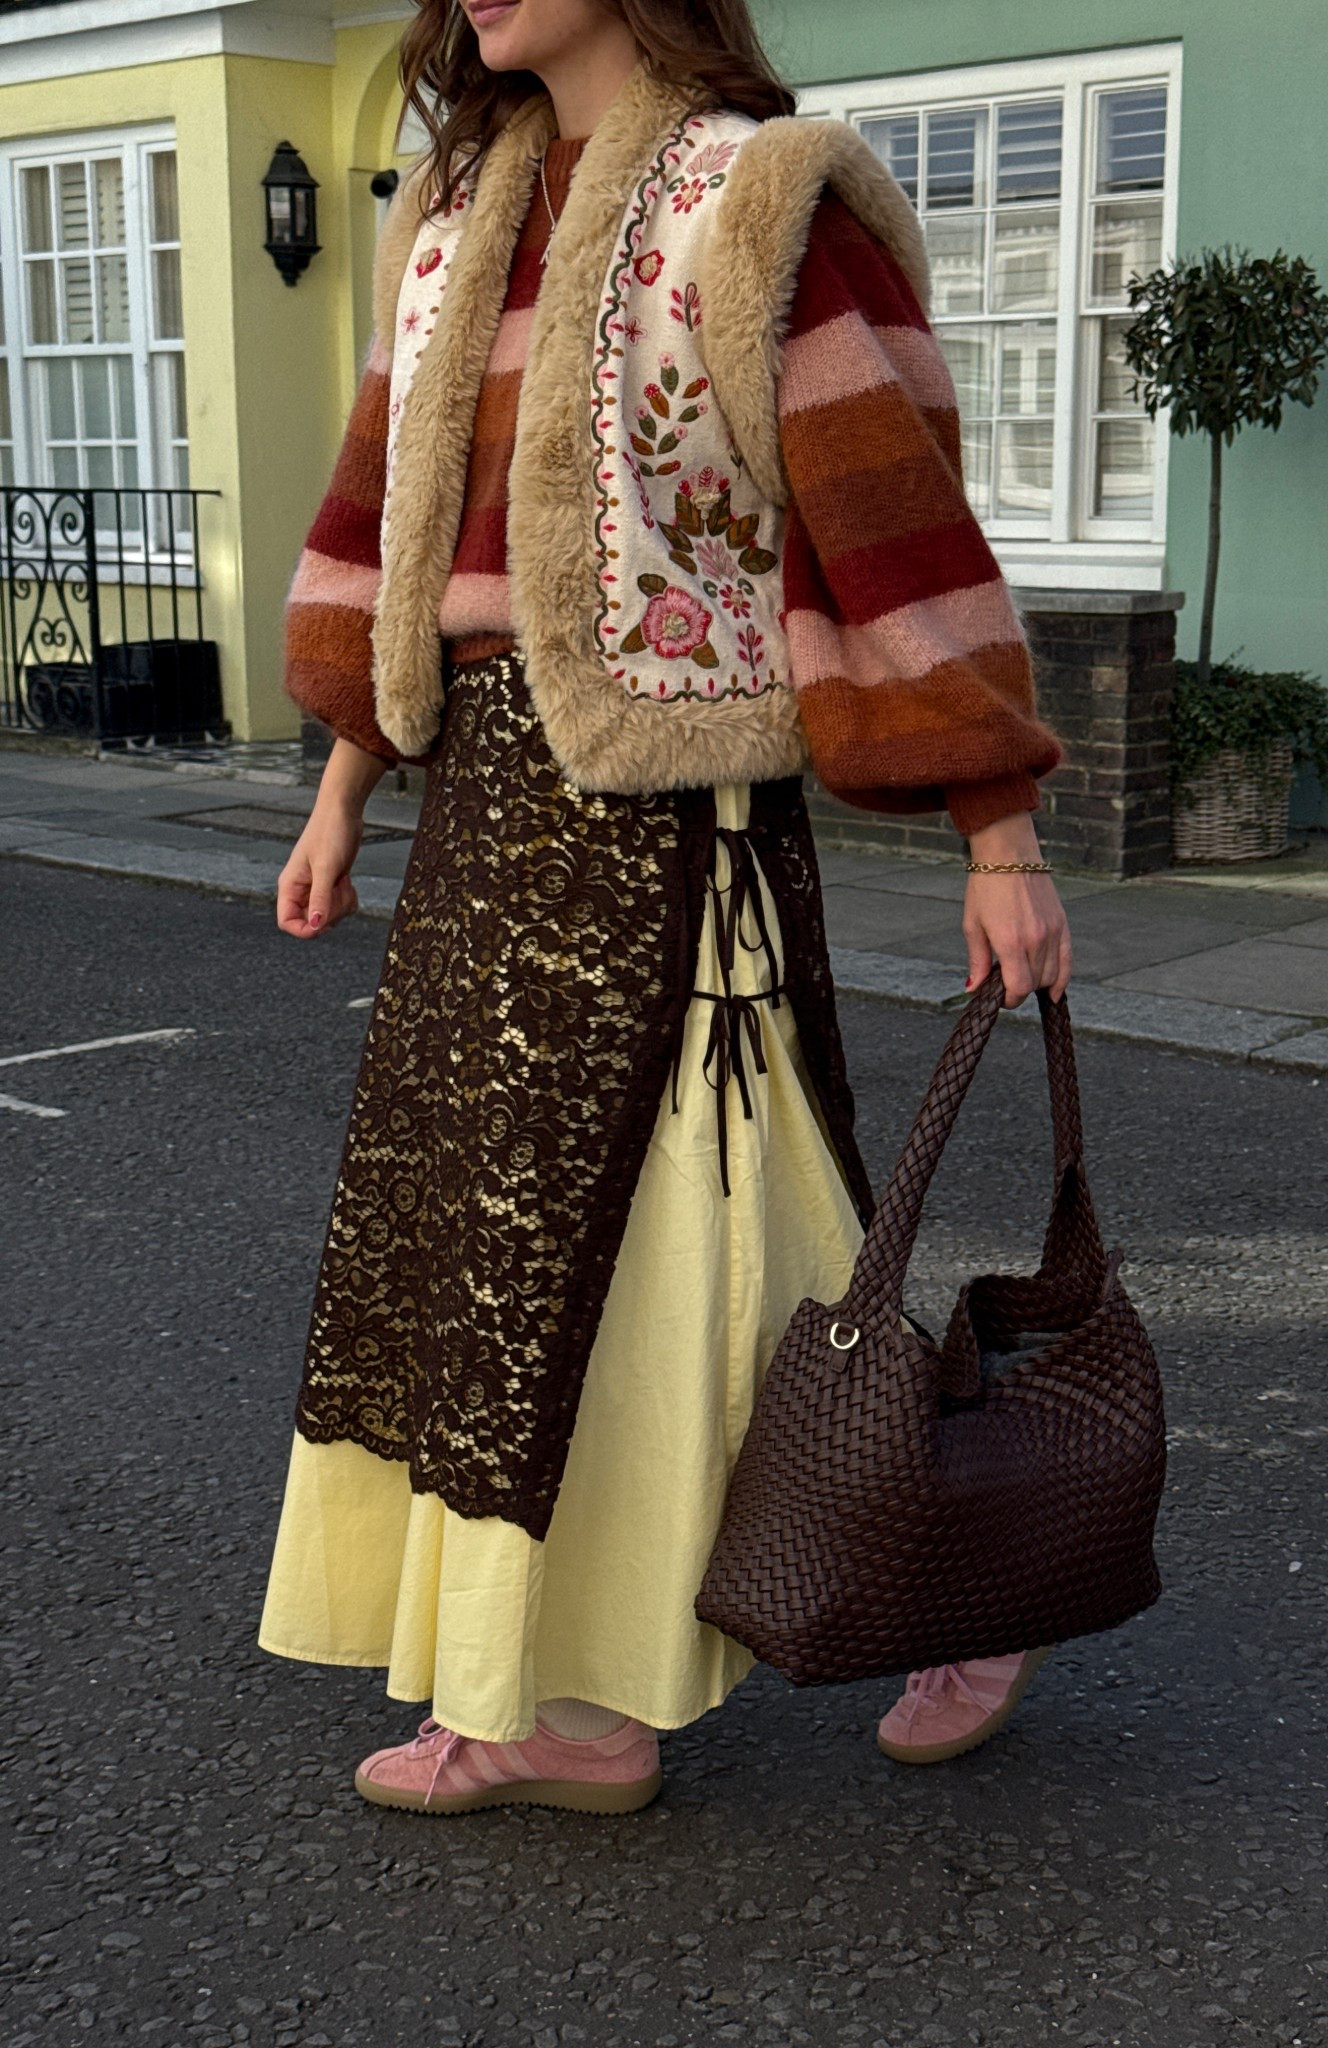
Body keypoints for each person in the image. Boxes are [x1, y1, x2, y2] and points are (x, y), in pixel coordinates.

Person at [258, 0, 1072, 1817]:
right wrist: (343, 790)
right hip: (483, 809)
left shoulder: (756, 194)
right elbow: (395, 521)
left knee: (720, 1233)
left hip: (676, 822)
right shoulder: (452, 213)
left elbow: (891, 515)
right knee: (501, 1252)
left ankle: (956, 1571)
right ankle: (572, 1699)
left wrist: (999, 834)